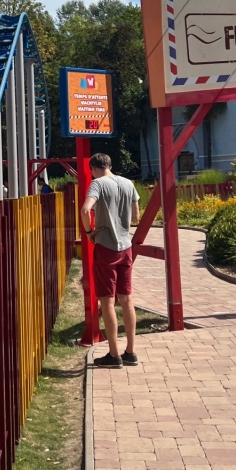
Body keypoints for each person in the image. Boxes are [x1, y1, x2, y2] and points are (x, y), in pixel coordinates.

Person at [80, 153, 140, 369]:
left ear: (93, 168)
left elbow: (85, 209)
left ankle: (114, 355)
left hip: (106, 247)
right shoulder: (127, 183)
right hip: (126, 247)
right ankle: (131, 352)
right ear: (110, 164)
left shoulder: (97, 184)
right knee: (126, 299)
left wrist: (89, 232)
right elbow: (135, 216)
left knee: (107, 301)